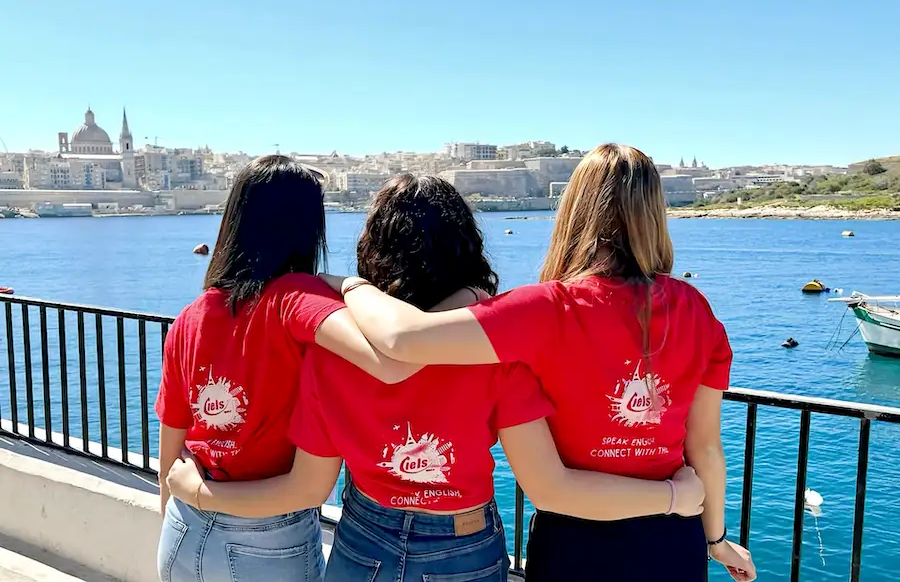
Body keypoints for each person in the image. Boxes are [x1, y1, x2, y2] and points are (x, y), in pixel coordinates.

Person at [166, 174, 706, 582]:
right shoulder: (495, 355)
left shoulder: (331, 353)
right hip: (461, 541)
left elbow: (312, 480)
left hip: (361, 534)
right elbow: (545, 480)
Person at [317, 146, 757, 582]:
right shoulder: (696, 310)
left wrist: (350, 285)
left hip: (577, 541)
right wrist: (715, 538)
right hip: (671, 540)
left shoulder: (545, 309)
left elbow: (401, 339)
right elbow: (705, 449)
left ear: (574, 210)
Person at [155, 156, 417, 582]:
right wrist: (352, 285)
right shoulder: (295, 297)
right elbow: (392, 358)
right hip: (266, 539)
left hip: (182, 529)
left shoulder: (191, 316)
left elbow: (171, 449)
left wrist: (183, 510)